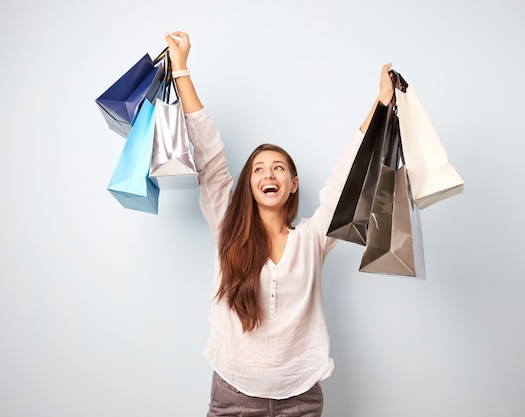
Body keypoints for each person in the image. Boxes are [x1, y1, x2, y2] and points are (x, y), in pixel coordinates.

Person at [164, 30, 394, 417]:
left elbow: (346, 178)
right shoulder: (227, 226)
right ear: (249, 184)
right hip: (233, 393)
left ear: (292, 184)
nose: (268, 174)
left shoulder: (313, 238)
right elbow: (208, 155)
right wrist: (182, 69)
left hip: (301, 397)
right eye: (258, 169)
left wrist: (381, 102)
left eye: (278, 168)